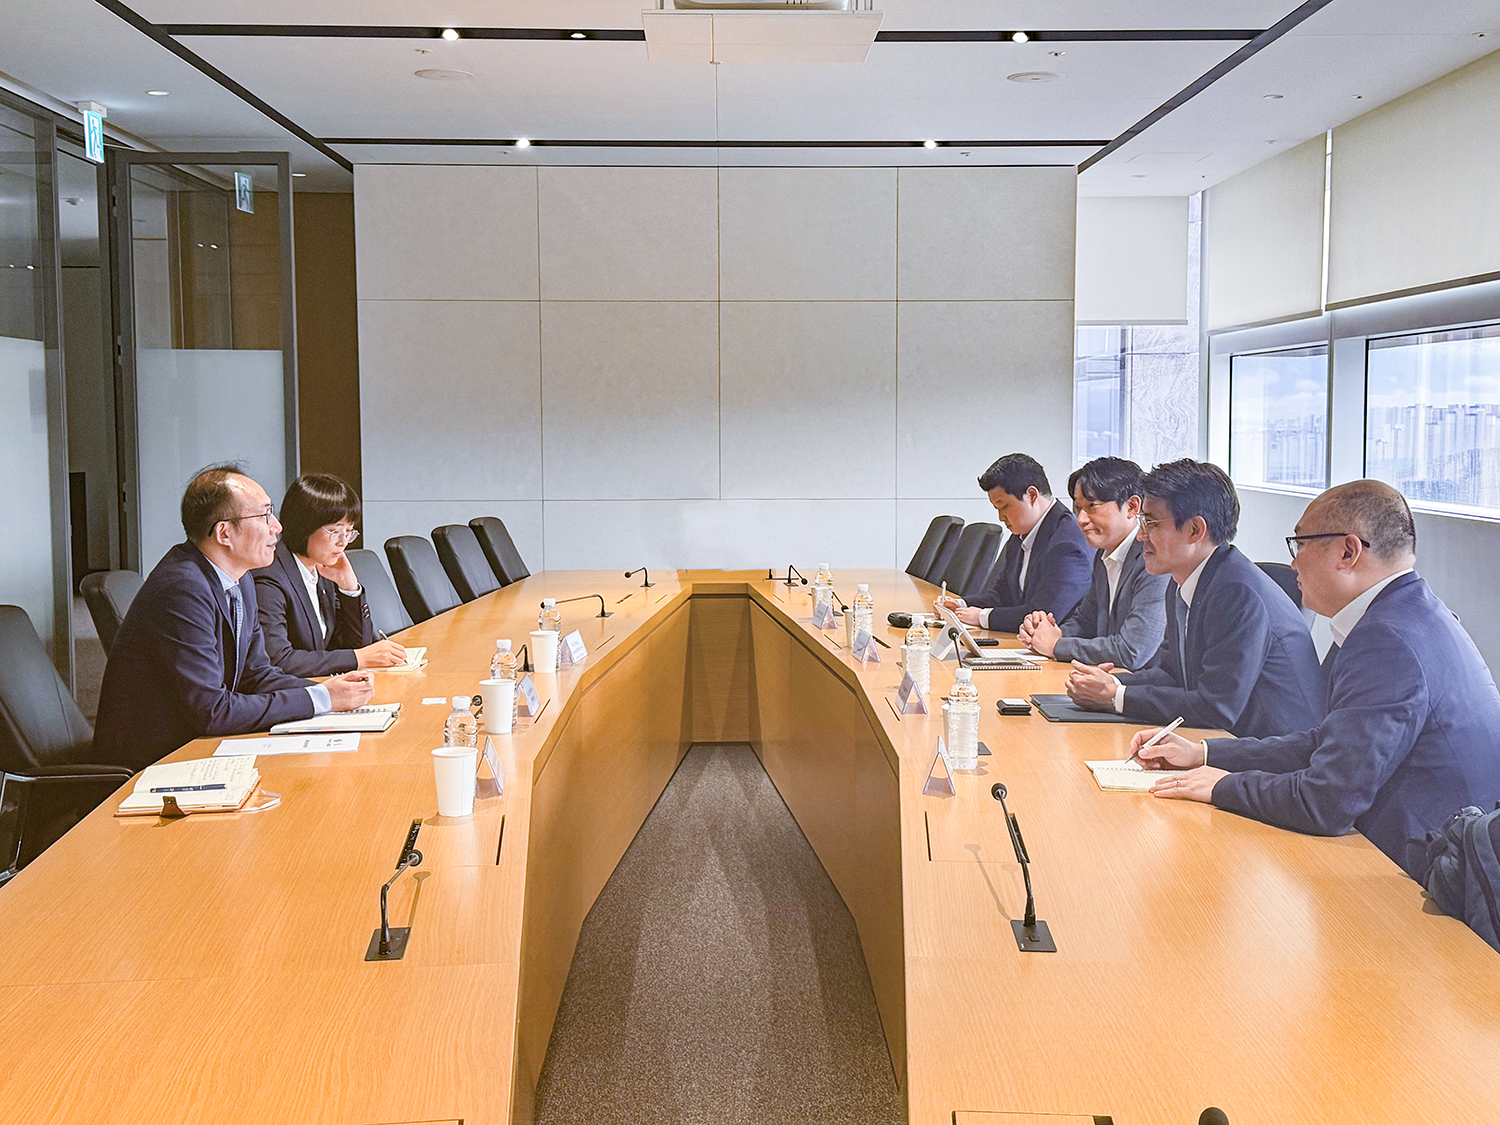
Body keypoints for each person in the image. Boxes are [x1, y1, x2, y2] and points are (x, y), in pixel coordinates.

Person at [1131, 480, 1500, 880]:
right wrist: (1204, 753)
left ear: (1348, 551)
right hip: (1423, 849)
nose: (1293, 564)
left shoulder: (1385, 640)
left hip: (1420, 871)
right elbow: (1324, 742)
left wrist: (1221, 786)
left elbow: (1325, 802)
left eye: (1301, 544)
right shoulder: (1407, 613)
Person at [94, 465, 375, 772]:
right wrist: (321, 699)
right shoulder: (183, 588)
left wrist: (329, 693)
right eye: (265, 515)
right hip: (156, 763)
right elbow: (213, 711)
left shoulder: (239, 578)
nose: (277, 526)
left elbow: (256, 674)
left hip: (198, 744)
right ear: (224, 533)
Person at [1066, 458, 1323, 738]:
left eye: (1150, 523)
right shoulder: (1185, 580)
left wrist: (1117, 697)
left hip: (1272, 751)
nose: (1140, 536)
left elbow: (1217, 707)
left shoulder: (1236, 592)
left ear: (1195, 530)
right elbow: (1171, 674)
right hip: (1227, 740)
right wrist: (1112, 683)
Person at [1018, 456, 1168, 669]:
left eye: (1092, 506)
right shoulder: (1104, 553)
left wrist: (1055, 645)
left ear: (1132, 507)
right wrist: (1047, 633)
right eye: (1078, 508)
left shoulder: (1153, 558)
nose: (1081, 519)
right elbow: (1085, 622)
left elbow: (1132, 651)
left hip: (1141, 685)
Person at [254, 474, 406, 677]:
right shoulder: (269, 578)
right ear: (303, 526)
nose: (343, 542)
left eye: (349, 531)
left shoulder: (323, 569)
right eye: (334, 531)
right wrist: (358, 658)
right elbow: (279, 661)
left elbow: (358, 644)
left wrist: (350, 588)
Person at [937, 453, 1092, 634]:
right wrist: (961, 604)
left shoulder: (1067, 543)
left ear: (1032, 495)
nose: (1001, 517)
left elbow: (1043, 616)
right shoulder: (1021, 535)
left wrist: (982, 617)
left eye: (1004, 506)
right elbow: (1003, 594)